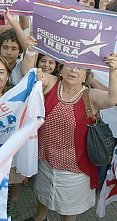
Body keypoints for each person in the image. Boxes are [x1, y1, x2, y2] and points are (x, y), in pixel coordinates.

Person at [26, 54, 117, 221]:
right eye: (70, 66)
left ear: (86, 75)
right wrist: (31, 52)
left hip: (75, 171)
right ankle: (40, 218)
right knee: (43, 197)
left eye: (80, 68)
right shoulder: (52, 84)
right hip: (46, 161)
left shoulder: (90, 96)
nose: (74, 70)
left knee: (68, 213)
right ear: (61, 68)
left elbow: (112, 99)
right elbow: (28, 72)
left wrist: (114, 70)